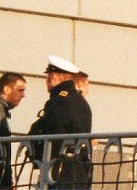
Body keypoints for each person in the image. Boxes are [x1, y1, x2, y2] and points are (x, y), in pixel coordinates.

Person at [29, 56, 92, 190]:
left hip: (60, 171)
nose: (47, 81)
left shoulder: (57, 101)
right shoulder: (80, 101)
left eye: (48, 76)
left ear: (53, 77)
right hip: (79, 172)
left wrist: (35, 154)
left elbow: (49, 131)